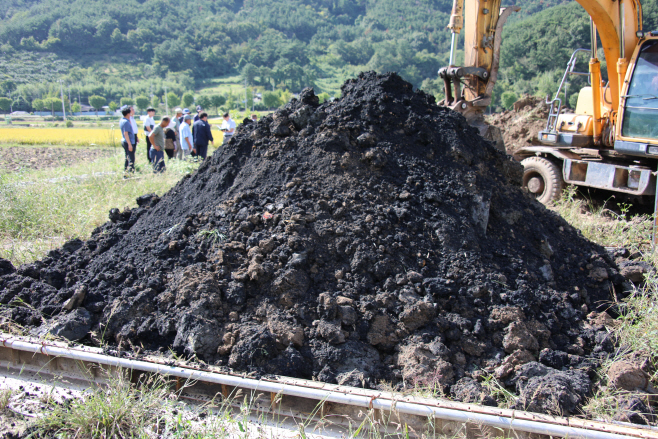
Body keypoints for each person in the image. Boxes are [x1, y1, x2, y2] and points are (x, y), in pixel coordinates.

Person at [119, 106, 135, 173]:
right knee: (131, 158)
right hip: (128, 141)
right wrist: (130, 145)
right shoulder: (126, 122)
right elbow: (126, 134)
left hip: (125, 141)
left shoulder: (122, 120)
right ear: (128, 114)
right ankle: (130, 172)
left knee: (127, 157)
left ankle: (126, 171)